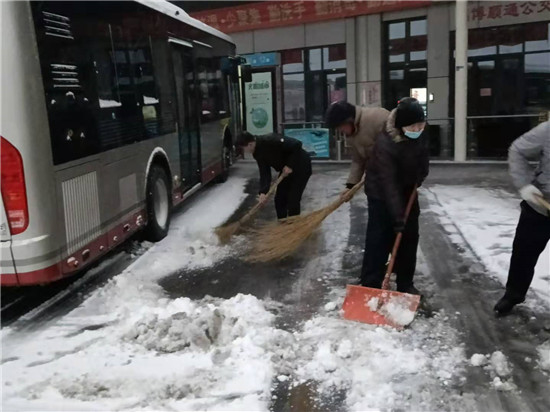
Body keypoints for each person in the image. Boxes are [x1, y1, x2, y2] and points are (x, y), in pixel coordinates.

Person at [361, 97, 429, 294]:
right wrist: (398, 217)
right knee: (379, 238)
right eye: (412, 126)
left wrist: (421, 175)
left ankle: (405, 283)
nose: (417, 129)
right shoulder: (386, 144)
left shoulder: (422, 132)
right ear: (400, 126)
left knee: (409, 238)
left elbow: (424, 157)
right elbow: (388, 183)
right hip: (381, 192)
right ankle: (371, 283)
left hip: (408, 188)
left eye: (420, 125)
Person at [494, 121, 550, 316]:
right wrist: (525, 184)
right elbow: (517, 150)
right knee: (523, 254)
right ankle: (513, 294)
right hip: (541, 204)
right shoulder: (547, 131)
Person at [236, 131, 312, 219]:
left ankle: (293, 226)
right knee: (279, 199)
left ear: (250, 144)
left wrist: (290, 165)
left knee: (293, 200)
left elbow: (297, 144)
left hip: (301, 166)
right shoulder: (257, 153)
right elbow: (264, 172)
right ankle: (282, 224)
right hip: (285, 171)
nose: (244, 151)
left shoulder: (270, 140)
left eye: (243, 148)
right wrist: (263, 192)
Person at [324, 100, 389, 199]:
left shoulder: (378, 118)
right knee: (376, 212)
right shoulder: (350, 135)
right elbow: (358, 160)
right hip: (374, 182)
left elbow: (400, 146)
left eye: (340, 127)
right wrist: (350, 186)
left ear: (349, 120)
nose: (340, 131)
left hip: (394, 180)